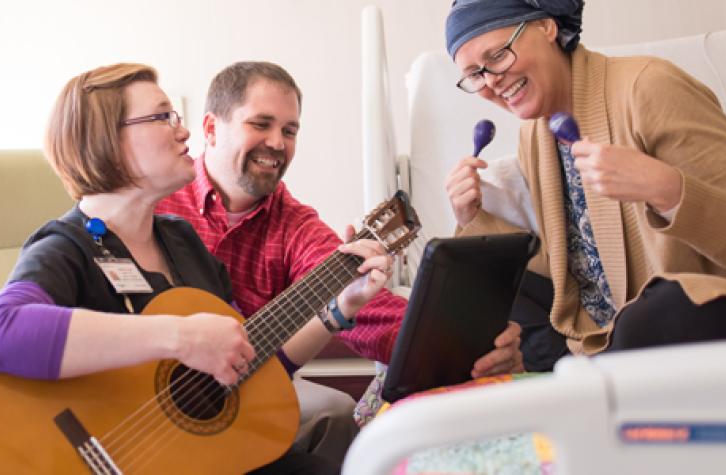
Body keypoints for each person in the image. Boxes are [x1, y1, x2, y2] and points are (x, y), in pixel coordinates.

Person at [0, 63, 392, 474]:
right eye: (163, 117)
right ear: (106, 138)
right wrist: (180, 337)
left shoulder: (182, 242)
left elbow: (242, 369)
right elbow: (1, 333)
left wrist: (338, 309)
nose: (184, 131)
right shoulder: (67, 247)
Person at [442, 0, 726, 364]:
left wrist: (666, 189)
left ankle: (604, 365)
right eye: (475, 74)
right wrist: (475, 217)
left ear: (546, 27)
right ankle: (597, 364)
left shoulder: (649, 86)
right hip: (619, 333)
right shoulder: (535, 135)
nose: (491, 81)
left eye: (497, 56)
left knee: (662, 308)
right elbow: (574, 270)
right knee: (493, 299)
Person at [153, 61, 526, 463]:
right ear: (210, 129)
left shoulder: (295, 226)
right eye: (261, 124)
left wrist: (466, 344)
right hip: (141, 389)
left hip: (235, 395)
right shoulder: (155, 198)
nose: (278, 143)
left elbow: (375, 313)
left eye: (290, 130)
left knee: (334, 415)